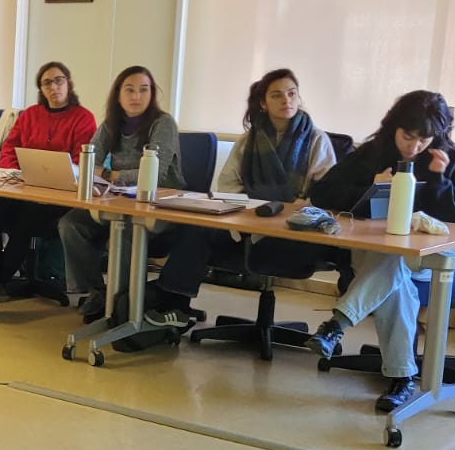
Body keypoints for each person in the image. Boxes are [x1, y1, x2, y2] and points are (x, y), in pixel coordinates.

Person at [306, 91, 455, 413]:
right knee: (394, 263)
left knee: (394, 262)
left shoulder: (448, 158)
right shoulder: (372, 153)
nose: (414, 147)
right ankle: (402, 378)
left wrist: (440, 181)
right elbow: (320, 194)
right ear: (394, 126)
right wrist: (369, 187)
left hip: (437, 257)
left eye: (423, 139)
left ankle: (336, 327)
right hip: (378, 251)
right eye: (407, 136)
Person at [141, 68, 337, 327]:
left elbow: (327, 196)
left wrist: (290, 211)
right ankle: (176, 306)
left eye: (292, 94)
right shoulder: (249, 140)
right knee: (196, 228)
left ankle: (164, 295)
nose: (286, 100)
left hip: (295, 230)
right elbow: (228, 185)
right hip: (248, 222)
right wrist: (249, 209)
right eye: (277, 95)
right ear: (264, 103)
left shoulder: (315, 140)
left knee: (200, 235)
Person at [58, 65, 185, 320]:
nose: (136, 96)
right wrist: (97, 175)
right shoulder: (110, 124)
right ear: (118, 95)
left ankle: (123, 304)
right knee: (70, 223)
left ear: (152, 94)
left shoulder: (164, 123)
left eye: (143, 90)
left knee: (126, 230)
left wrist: (108, 175)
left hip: (159, 205)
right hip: (117, 202)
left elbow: (154, 174)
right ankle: (97, 291)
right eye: (129, 90)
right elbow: (89, 159)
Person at [0, 61, 98, 296]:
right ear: (41, 89)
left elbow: (80, 163)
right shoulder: (30, 114)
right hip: (22, 188)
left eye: (59, 80)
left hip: (59, 198)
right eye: (47, 83)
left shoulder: (83, 118)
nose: (54, 87)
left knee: (27, 219)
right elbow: (10, 148)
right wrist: (16, 172)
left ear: (68, 83)